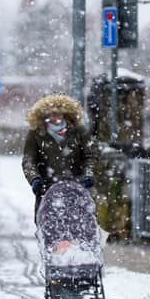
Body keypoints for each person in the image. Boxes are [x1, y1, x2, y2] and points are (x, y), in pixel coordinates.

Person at [22, 94, 95, 223]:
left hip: (76, 189)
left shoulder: (80, 132)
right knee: (49, 230)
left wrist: (88, 174)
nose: (55, 117)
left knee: (77, 227)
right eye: (51, 114)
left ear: (66, 114)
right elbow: (29, 160)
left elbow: (89, 157)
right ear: (45, 115)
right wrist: (34, 178)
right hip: (47, 190)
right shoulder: (36, 133)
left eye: (59, 113)